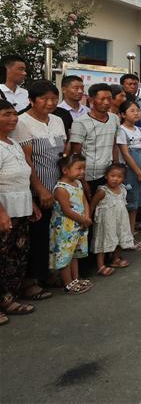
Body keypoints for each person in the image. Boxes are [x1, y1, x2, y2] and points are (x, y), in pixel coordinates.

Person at [12, 81, 66, 300]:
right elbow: (27, 160)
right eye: (44, 98)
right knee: (37, 235)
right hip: (37, 190)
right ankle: (30, 281)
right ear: (31, 100)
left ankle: (47, 274)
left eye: (53, 98)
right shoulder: (22, 122)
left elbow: (65, 152)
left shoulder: (58, 120)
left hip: (58, 187)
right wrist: (40, 189)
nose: (50, 103)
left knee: (54, 233)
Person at [0, 99, 41, 320]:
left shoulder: (13, 143)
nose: (13, 118)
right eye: (6, 114)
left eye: (14, 114)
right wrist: (2, 213)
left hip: (20, 209)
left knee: (15, 258)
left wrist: (31, 203)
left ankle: (10, 299)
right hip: (4, 212)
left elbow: (22, 177)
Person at [50, 154, 92, 295]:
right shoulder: (61, 188)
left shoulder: (78, 183)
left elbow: (84, 201)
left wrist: (87, 215)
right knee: (65, 255)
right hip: (65, 227)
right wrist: (83, 220)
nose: (82, 172)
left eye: (83, 168)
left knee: (74, 253)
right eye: (78, 168)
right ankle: (68, 283)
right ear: (65, 170)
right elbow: (67, 210)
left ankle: (76, 279)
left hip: (78, 225)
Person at [69, 83, 120, 197]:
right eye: (102, 99)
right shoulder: (80, 122)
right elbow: (76, 153)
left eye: (109, 99)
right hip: (88, 176)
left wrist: (116, 167)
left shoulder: (114, 119)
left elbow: (114, 145)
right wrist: (83, 182)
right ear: (91, 99)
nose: (106, 102)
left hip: (108, 175)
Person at [91, 163, 134, 276]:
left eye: (119, 177)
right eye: (112, 176)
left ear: (123, 178)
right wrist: (88, 217)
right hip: (106, 222)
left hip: (120, 220)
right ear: (106, 176)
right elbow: (92, 204)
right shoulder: (102, 191)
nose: (115, 179)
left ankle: (116, 259)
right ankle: (100, 266)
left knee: (119, 237)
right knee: (102, 241)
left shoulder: (123, 189)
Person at [116, 100, 141, 241]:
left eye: (137, 110)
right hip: (130, 172)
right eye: (132, 111)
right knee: (129, 202)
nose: (137, 113)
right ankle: (127, 235)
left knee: (136, 202)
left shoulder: (140, 130)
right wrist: (138, 172)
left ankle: (131, 231)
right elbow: (125, 154)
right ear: (123, 114)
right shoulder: (121, 131)